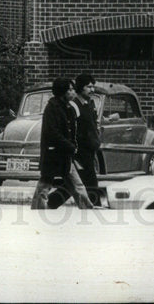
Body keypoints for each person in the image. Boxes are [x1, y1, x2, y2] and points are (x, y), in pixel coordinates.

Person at [30, 78, 93, 210]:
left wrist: (73, 145)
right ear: (62, 91)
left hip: (65, 155)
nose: (73, 92)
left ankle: (87, 208)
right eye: (69, 89)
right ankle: (37, 210)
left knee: (77, 184)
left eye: (72, 89)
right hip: (53, 153)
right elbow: (52, 132)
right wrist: (70, 146)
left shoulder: (69, 108)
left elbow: (71, 131)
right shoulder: (51, 108)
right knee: (45, 184)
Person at [73, 72, 101, 206]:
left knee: (79, 182)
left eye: (93, 86)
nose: (92, 90)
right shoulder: (74, 105)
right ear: (80, 87)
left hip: (90, 148)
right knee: (88, 180)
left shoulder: (90, 104)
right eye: (89, 87)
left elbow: (93, 124)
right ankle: (95, 205)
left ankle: (51, 203)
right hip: (80, 150)